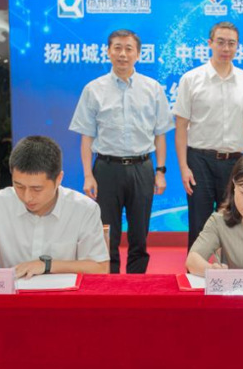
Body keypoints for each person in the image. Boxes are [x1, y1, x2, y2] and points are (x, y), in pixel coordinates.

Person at [69, 29, 173, 274]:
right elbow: (87, 137)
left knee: (140, 232)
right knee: (108, 232)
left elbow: (160, 134)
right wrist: (88, 175)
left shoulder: (152, 88)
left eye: (128, 48)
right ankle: (110, 281)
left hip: (142, 168)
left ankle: (137, 282)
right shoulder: (93, 89)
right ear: (108, 52)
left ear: (138, 54)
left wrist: (160, 171)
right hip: (107, 169)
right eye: (117, 48)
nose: (123, 54)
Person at [0, 136, 109, 278]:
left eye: (36, 189)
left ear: (59, 179)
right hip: (11, 296)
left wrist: (47, 266)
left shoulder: (84, 209)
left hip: (62, 297)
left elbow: (100, 268)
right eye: (19, 186)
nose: (27, 197)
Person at [173, 21, 243, 249]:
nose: (226, 48)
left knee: (233, 222)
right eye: (220, 42)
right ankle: (197, 267)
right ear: (210, 43)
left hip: (235, 162)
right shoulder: (191, 79)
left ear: (237, 46)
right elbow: (181, 126)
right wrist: (184, 167)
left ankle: (232, 269)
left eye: (231, 43)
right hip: (199, 160)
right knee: (199, 223)